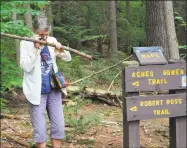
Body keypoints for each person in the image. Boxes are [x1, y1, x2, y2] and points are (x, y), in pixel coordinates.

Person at [20, 14, 71, 148]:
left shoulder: (52, 40)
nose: (44, 37)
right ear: (35, 32)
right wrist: (36, 49)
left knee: (58, 127)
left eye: (46, 34)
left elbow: (67, 58)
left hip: (54, 89)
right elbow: (25, 67)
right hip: (36, 92)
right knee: (40, 130)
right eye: (41, 34)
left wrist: (60, 48)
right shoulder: (25, 43)